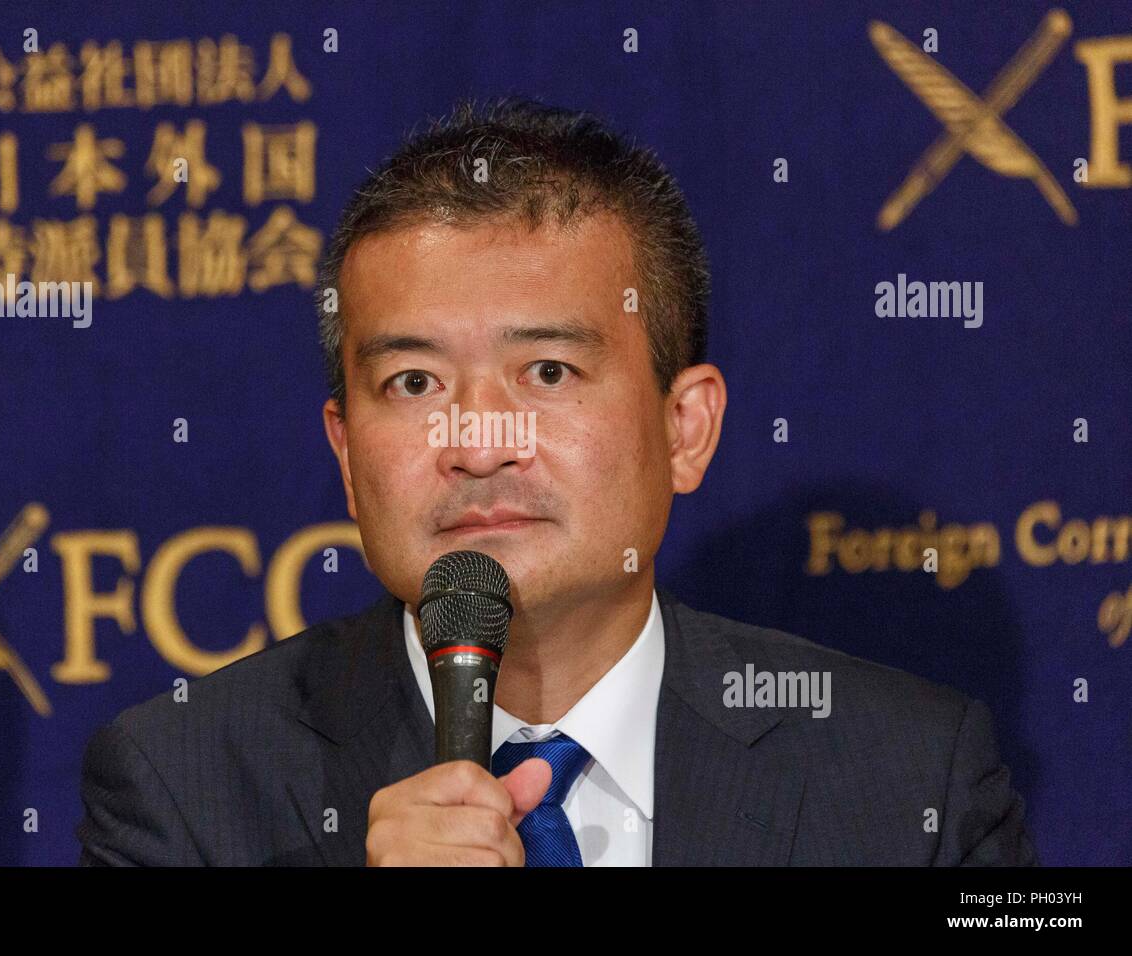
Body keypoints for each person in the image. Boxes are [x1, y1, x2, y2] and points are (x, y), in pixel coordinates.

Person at [76, 97, 1037, 866]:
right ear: (345, 453)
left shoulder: (909, 780)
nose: (478, 441)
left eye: (548, 373)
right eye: (414, 383)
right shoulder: (186, 788)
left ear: (685, 428)